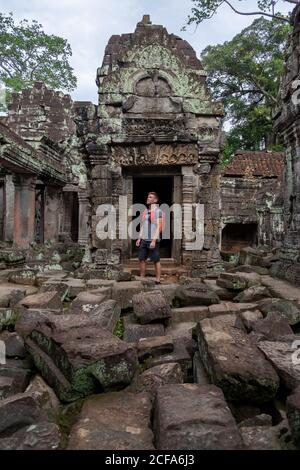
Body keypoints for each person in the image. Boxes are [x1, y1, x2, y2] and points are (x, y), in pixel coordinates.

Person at [136, 191, 164, 284]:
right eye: (148, 197)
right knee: (141, 258)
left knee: (156, 259)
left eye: (151, 197)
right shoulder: (145, 211)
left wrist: (154, 240)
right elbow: (143, 226)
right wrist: (139, 238)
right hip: (144, 239)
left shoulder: (159, 212)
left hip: (153, 240)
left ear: (155, 200)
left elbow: (159, 227)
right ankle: (142, 277)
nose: (148, 198)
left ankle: (158, 279)